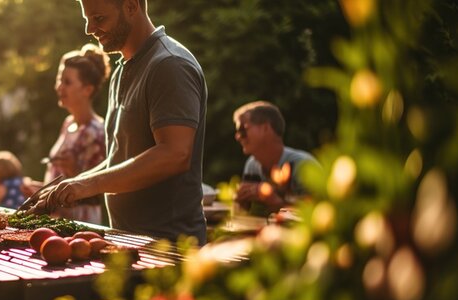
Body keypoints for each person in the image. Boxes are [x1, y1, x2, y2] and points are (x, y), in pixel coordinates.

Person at [30, 0, 208, 244]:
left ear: (131, 6)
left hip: (170, 247)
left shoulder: (169, 65)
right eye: (86, 19)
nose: (89, 29)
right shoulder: (121, 71)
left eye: (99, 19)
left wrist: (87, 184)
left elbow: (175, 154)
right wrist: (70, 186)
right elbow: (120, 160)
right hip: (128, 241)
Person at [25, 44, 110, 223]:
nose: (59, 87)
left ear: (87, 89)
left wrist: (75, 171)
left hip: (80, 223)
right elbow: (61, 183)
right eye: (59, 80)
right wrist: (39, 190)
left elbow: (101, 193)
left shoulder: (96, 131)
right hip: (56, 219)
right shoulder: (68, 123)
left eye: (67, 82)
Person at [233, 100, 320, 214]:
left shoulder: (304, 166)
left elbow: (318, 213)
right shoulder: (252, 165)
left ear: (266, 128)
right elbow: (245, 216)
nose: (238, 137)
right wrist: (241, 203)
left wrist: (275, 202)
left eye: (243, 129)